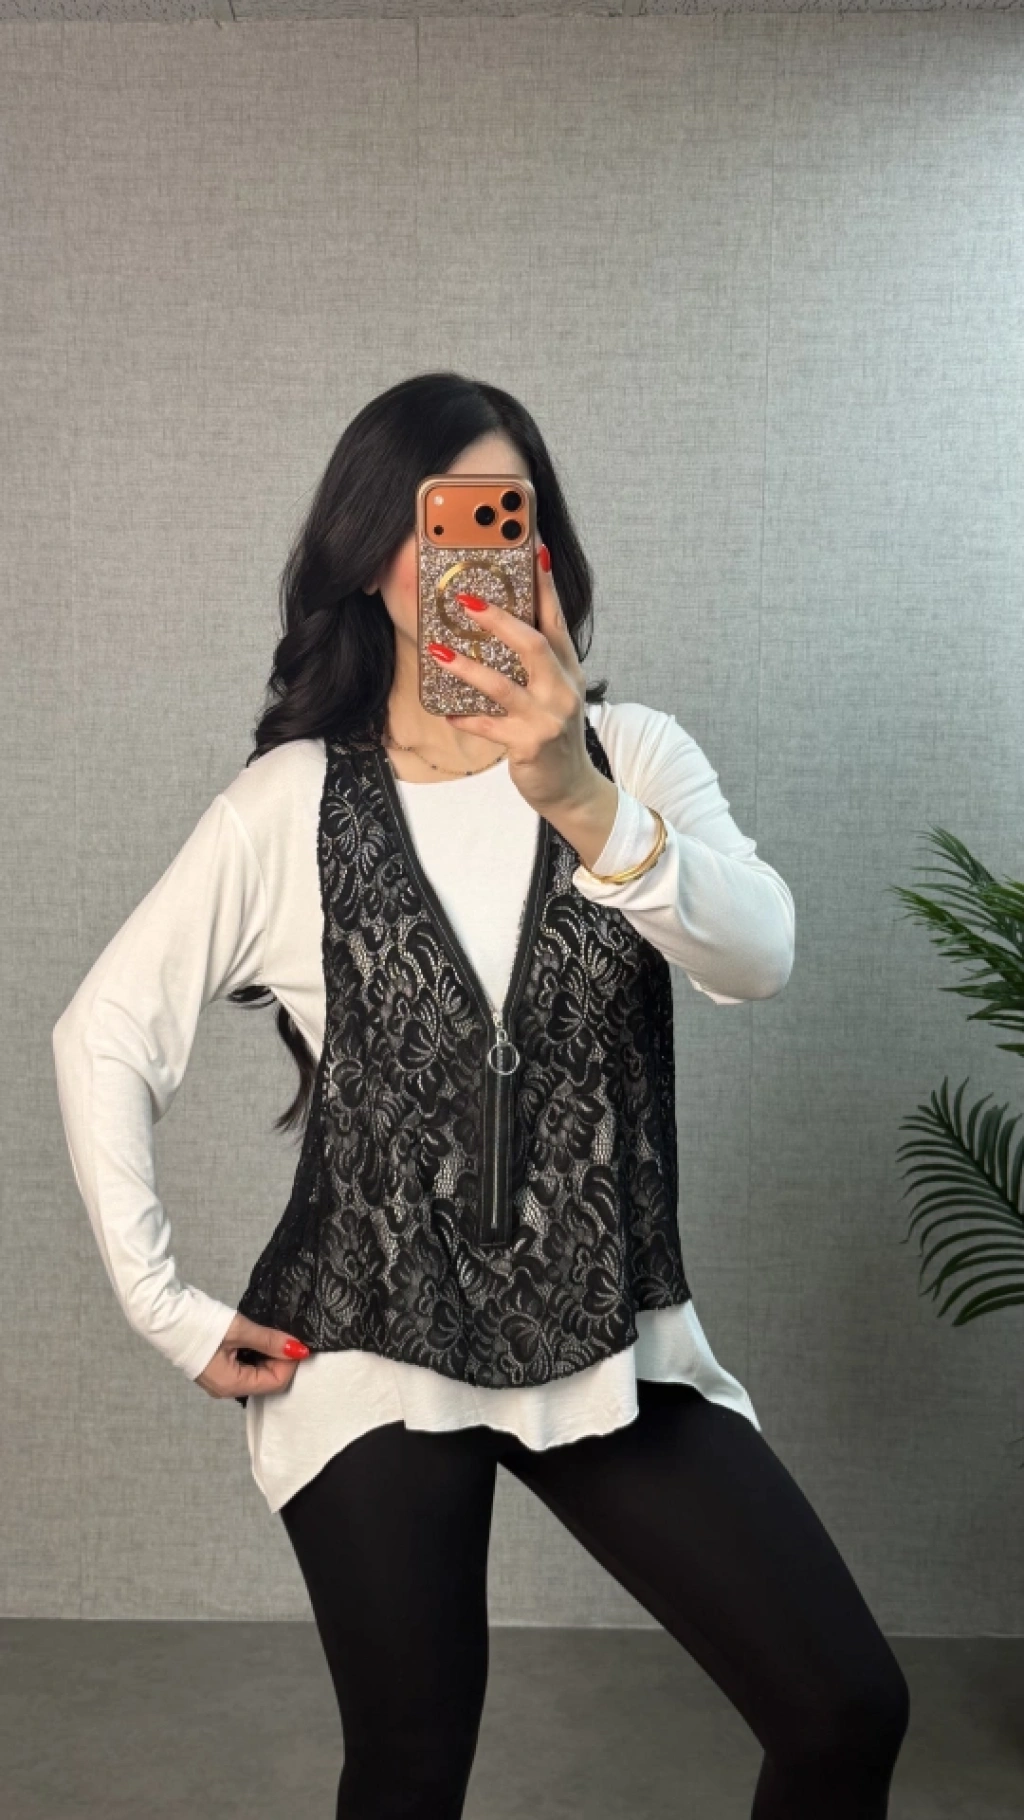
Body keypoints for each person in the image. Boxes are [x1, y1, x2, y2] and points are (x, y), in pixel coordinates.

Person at [53, 372, 909, 1819]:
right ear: (365, 561)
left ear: (539, 551)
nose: (458, 556)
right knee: (409, 1766)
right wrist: (167, 1308)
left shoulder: (636, 758)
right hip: (369, 1345)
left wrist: (577, 793)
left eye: (492, 518)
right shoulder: (290, 802)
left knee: (844, 1711)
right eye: (423, 522)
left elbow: (759, 957)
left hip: (604, 1334)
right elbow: (102, 1035)